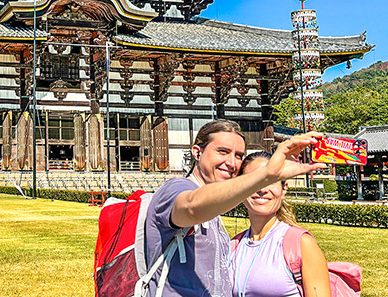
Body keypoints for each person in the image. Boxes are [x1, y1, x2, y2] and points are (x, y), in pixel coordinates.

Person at [142, 120, 325, 297]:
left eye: (238, 155)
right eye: (222, 151)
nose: (232, 163)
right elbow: (191, 207)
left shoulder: (218, 216)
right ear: (197, 153)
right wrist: (266, 174)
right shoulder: (175, 189)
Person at [229, 151, 331, 297]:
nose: (262, 190)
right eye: (254, 181)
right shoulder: (234, 246)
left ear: (284, 189)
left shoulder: (300, 243)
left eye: (270, 181)